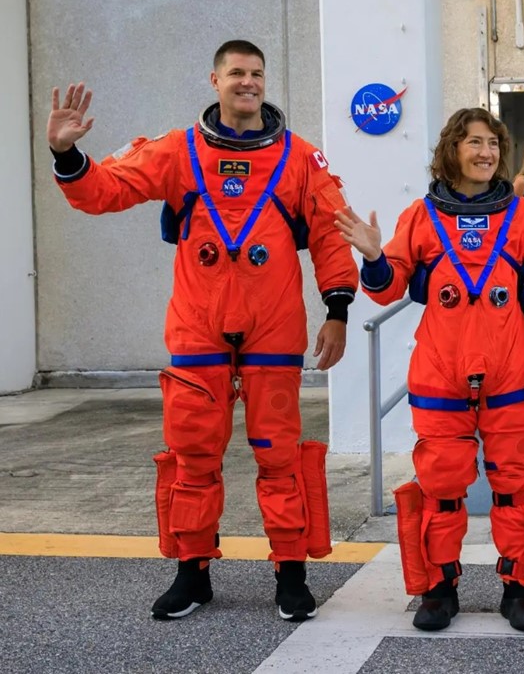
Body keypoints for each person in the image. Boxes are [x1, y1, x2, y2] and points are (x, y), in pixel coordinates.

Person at [46, 40, 357, 622]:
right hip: (198, 330)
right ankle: (192, 575)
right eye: (236, 73)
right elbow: (106, 190)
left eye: (257, 74)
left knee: (280, 456)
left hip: (273, 329)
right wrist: (68, 155)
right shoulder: (177, 150)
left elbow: (330, 236)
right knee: (193, 456)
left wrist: (337, 311)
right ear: (213, 80)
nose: (248, 82)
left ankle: (291, 574)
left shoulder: (299, 158)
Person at [334, 108, 524, 633]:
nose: (485, 152)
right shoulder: (421, 217)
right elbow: (388, 285)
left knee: (513, 486)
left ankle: (520, 587)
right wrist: (374, 257)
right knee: (442, 488)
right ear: (452, 150)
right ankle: (439, 588)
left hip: (512, 372)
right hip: (441, 373)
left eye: (492, 143)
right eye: (473, 142)